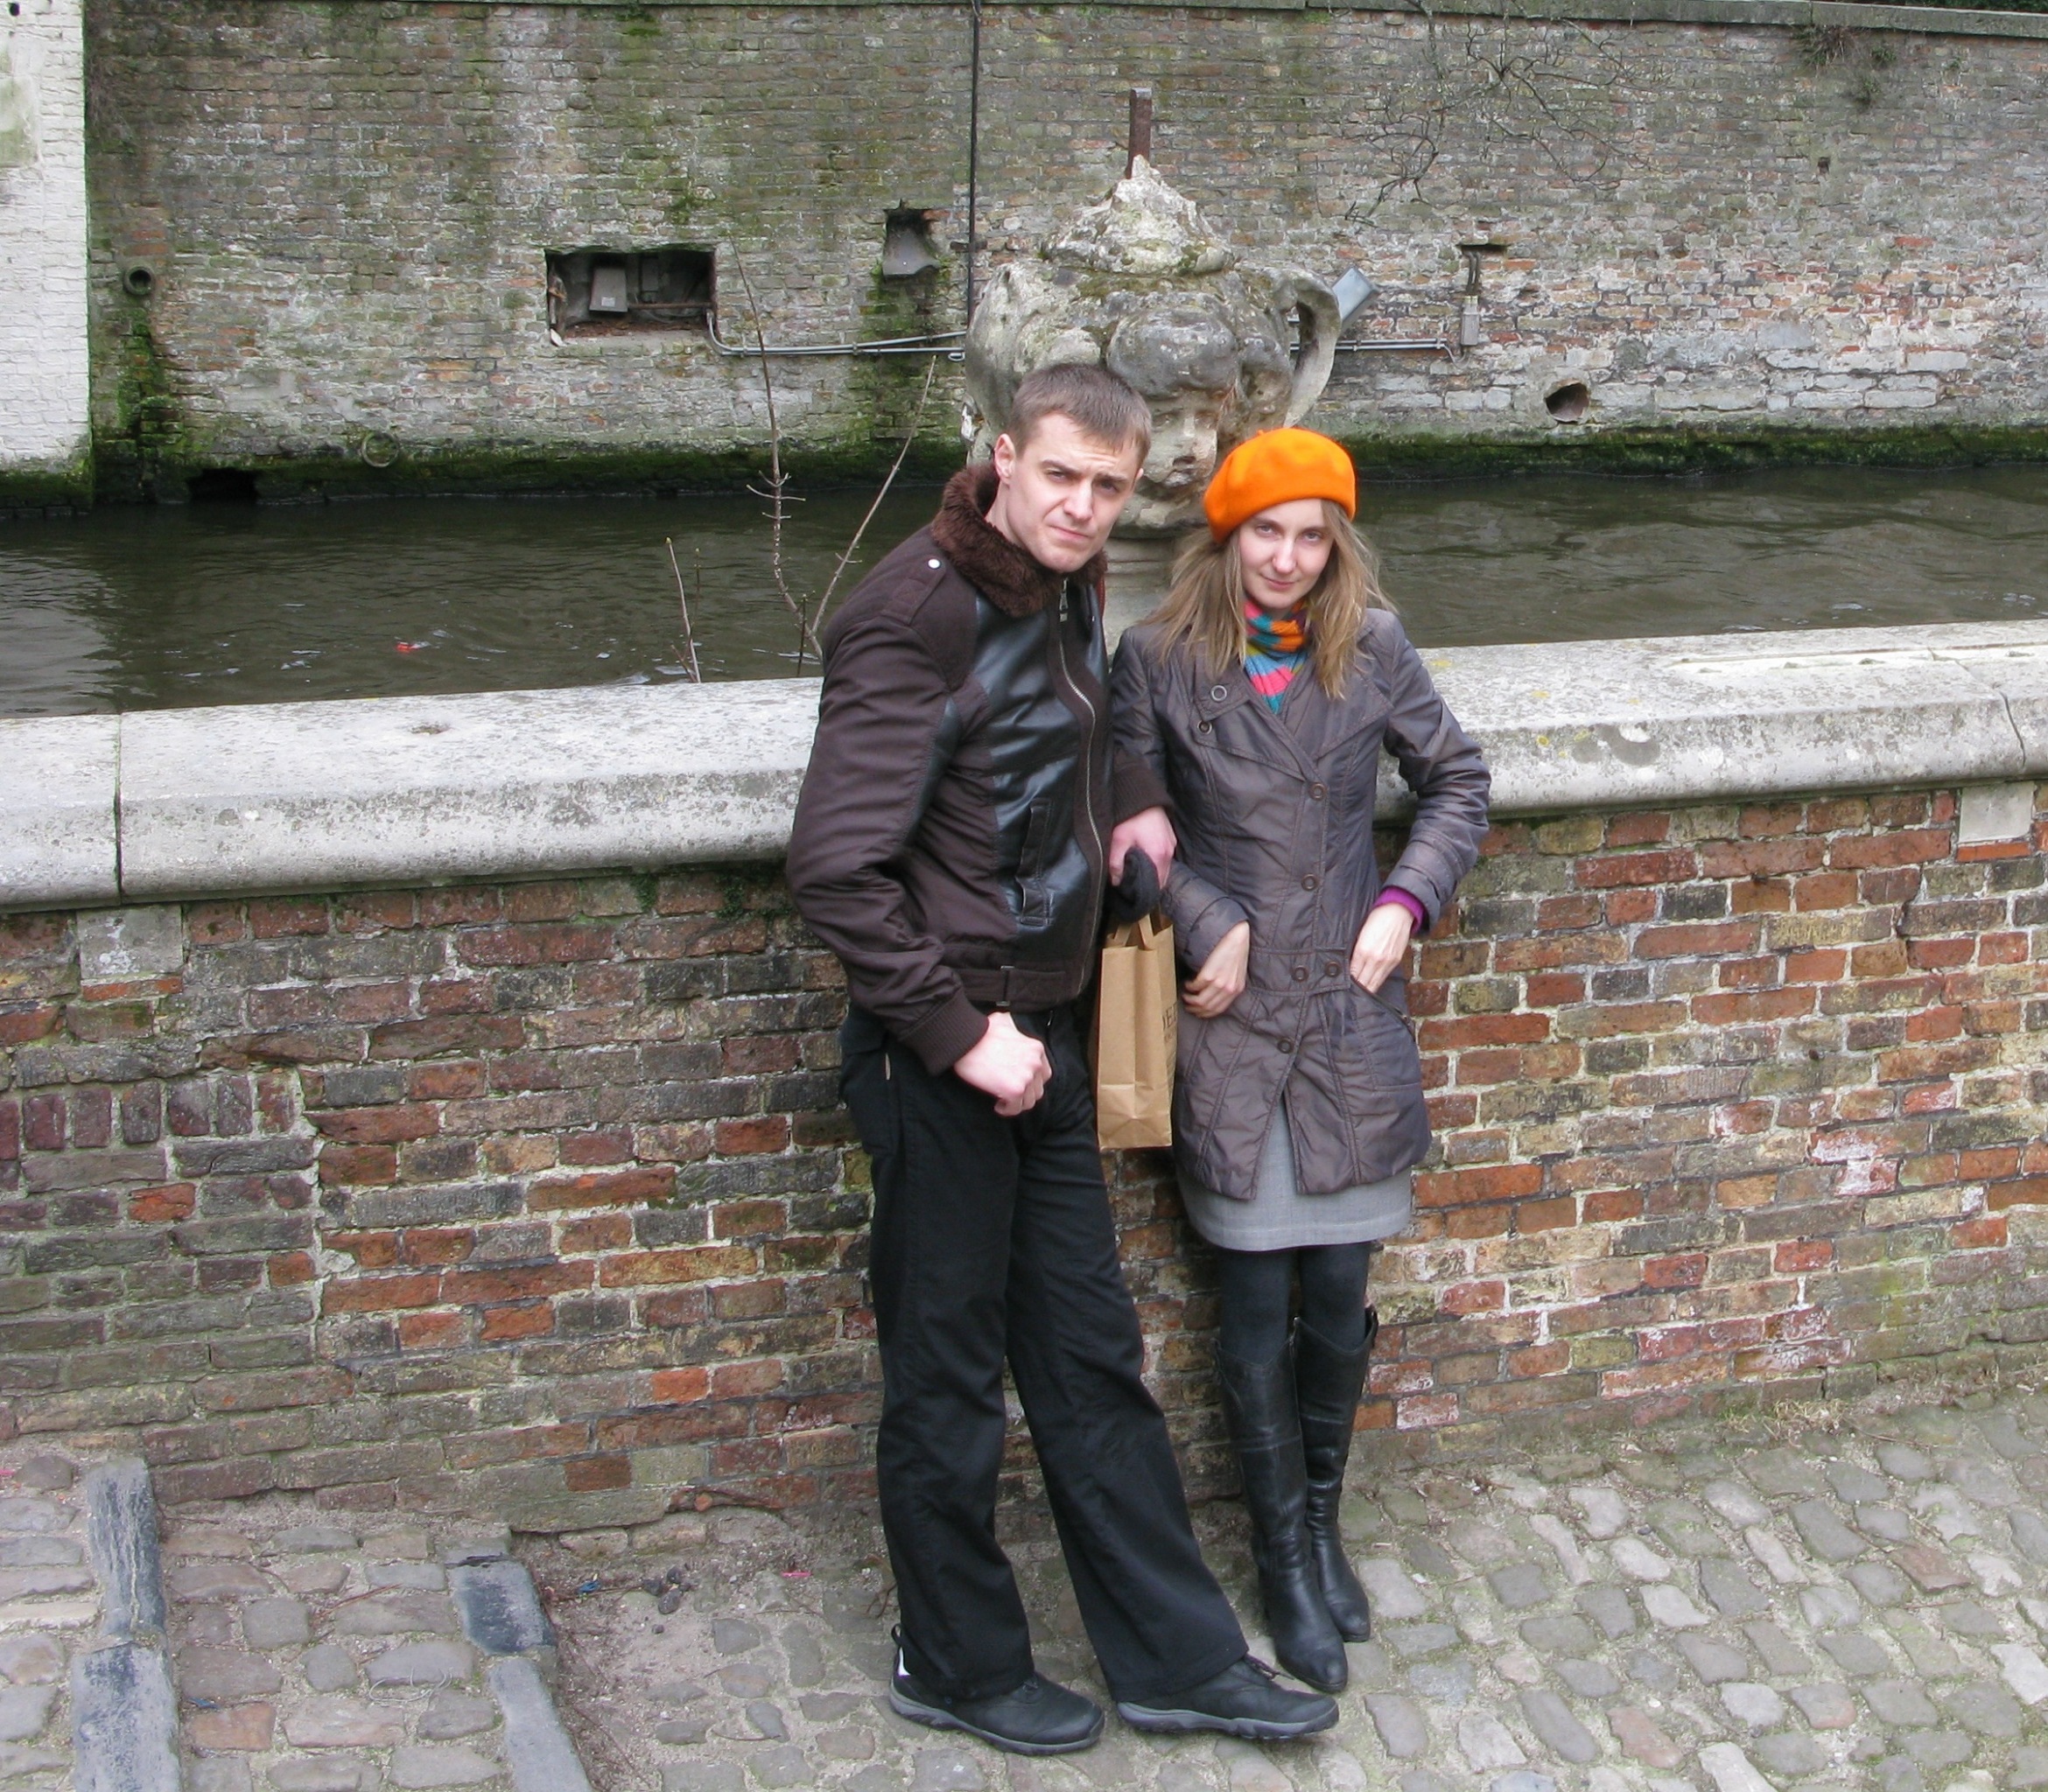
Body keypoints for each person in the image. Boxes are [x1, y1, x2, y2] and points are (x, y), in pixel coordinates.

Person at [786, 366, 1338, 1755]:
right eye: (1060, 478)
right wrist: (961, 1037)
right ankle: (955, 1664)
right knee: (949, 1378)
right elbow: (838, 871)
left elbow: (1074, 741)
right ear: (1001, 457)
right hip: (942, 1058)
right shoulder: (909, 616)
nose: (1084, 508)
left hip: (1049, 1033)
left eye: (1109, 487)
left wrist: (1136, 805)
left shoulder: (1066, 584)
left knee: (1093, 1360)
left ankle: (1176, 1660)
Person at [1109, 427, 1490, 1694]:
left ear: (1338, 545)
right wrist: (1203, 920)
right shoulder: (1157, 657)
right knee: (1252, 1297)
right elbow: (1124, 820)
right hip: (1232, 1024)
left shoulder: (1371, 645)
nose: (1286, 558)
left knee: (1336, 1291)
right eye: (1265, 532)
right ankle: (1279, 1558)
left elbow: (1457, 782)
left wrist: (1405, 901)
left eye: (1310, 536)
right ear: (1226, 537)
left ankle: (1322, 1527)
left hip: (1345, 1013)